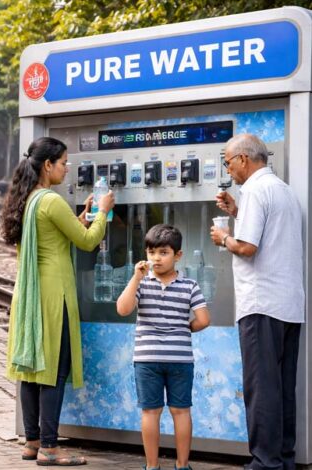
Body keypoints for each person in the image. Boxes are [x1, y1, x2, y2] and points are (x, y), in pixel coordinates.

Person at [1, 137, 114, 465]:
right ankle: (50, 447)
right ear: (48, 165)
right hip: (54, 296)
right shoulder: (50, 201)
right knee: (54, 370)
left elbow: (56, 235)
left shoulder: (28, 199)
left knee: (31, 368)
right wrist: (103, 213)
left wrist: (78, 219)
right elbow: (89, 242)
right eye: (64, 162)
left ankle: (32, 441)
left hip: (29, 295)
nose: (67, 168)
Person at [210, 133, 304, 470]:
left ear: (244, 160)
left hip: (260, 303)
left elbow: (247, 247)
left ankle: (265, 462)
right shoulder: (283, 190)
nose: (228, 169)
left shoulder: (253, 189)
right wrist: (237, 212)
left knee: (261, 388)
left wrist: (223, 238)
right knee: (281, 388)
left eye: (228, 162)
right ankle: (283, 459)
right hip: (289, 305)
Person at [116, 224, 211, 470]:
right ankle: (182, 465)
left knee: (150, 413)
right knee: (181, 412)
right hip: (180, 358)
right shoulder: (190, 286)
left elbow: (124, 308)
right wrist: (184, 328)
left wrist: (136, 278)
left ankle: (152, 466)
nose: (156, 258)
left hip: (147, 359)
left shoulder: (142, 284)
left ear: (177, 255)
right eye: (151, 252)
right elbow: (203, 320)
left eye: (163, 252)